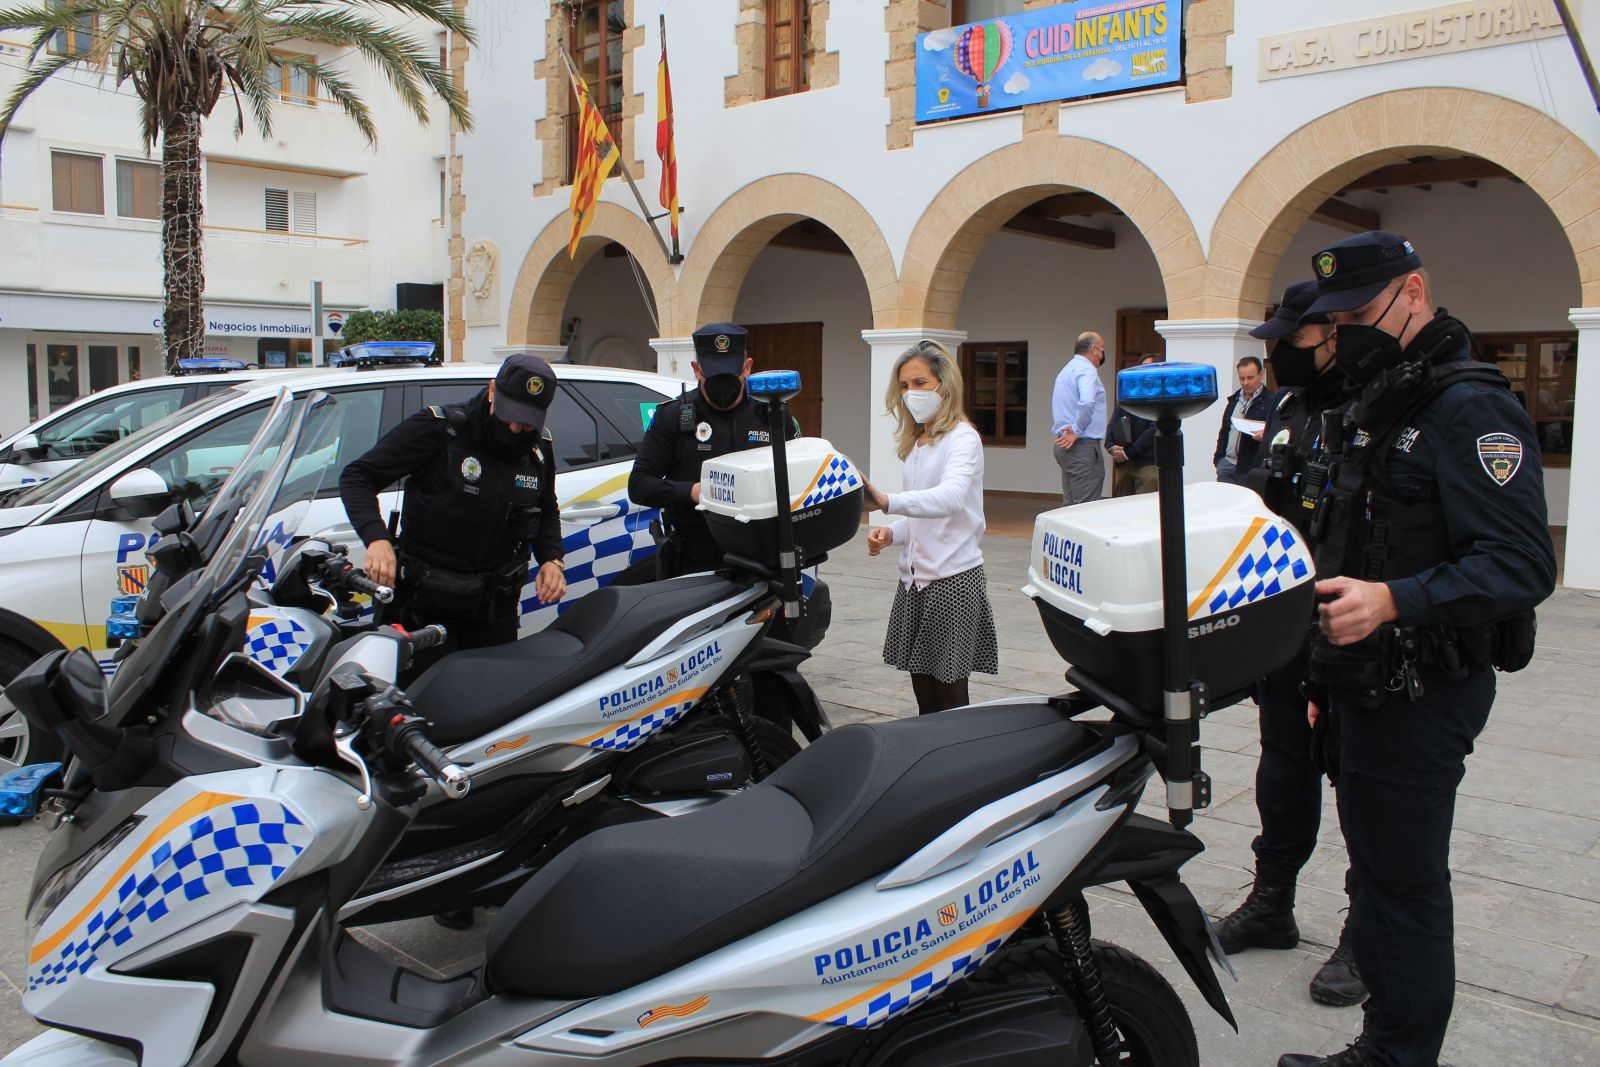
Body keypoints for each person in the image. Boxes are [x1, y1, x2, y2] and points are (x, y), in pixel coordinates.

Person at [1276, 232, 1557, 1067]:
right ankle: (1383, 1043)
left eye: (1359, 313)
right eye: (1336, 320)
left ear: (1414, 292)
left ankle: (1399, 1056)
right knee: (1384, 882)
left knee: (1404, 887)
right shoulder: (1381, 396)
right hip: (1362, 679)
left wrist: (1398, 599)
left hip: (1423, 685)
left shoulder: (1469, 407)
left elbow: (1520, 562)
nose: (1344, 333)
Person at [1211, 280, 1365, 1009]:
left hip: (1359, 629)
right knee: (1283, 769)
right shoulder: (1290, 411)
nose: (1276, 354)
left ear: (1333, 333)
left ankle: (1367, 933)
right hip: (1290, 630)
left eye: (1291, 340)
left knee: (1365, 787)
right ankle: (1273, 900)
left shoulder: (1372, 408)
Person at [339, 353, 566, 670]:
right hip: (424, 603)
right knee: (419, 703)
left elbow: (545, 508)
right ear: (491, 391)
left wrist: (552, 559)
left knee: (485, 705)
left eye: (528, 419)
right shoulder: (443, 430)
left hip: (491, 606)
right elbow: (357, 477)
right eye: (511, 413)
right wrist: (376, 539)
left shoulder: (538, 448)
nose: (516, 427)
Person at [861, 339, 998, 715]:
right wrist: (892, 533)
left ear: (944, 384)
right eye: (904, 386)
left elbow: (950, 498)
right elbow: (922, 512)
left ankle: (960, 766)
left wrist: (886, 501)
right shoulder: (918, 442)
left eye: (920, 383)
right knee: (924, 694)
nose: (910, 393)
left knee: (951, 697)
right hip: (916, 581)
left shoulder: (963, 438)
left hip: (952, 579)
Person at [626, 322, 797, 580]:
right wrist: (692, 492)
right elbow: (639, 485)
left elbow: (796, 477)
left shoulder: (771, 415)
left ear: (747, 367)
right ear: (696, 370)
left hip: (760, 557)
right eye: (714, 376)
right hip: (694, 557)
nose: (723, 385)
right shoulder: (672, 417)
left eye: (730, 375)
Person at [1050, 331, 1108, 505]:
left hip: (1066, 444)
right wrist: (1077, 429)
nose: (1103, 353)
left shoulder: (1068, 368)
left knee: (1070, 505)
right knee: (1084, 508)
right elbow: (1087, 401)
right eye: (1102, 348)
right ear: (1094, 350)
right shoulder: (1086, 370)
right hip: (1081, 445)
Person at [1213, 354, 1272, 485]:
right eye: (1242, 378)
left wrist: (1266, 434)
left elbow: (1279, 433)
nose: (1246, 382)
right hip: (1227, 464)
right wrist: (1219, 459)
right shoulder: (1234, 399)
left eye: (1250, 378)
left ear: (1261, 374)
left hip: (1251, 468)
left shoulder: (1271, 402)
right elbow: (1225, 430)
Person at [1107, 354, 1159, 496]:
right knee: (1123, 510)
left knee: (1144, 510)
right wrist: (1111, 447)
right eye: (1141, 367)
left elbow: (1155, 429)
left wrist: (1127, 453)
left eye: (1148, 368)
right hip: (1125, 466)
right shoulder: (1127, 396)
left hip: (1148, 464)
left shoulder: (1159, 398)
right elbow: (1112, 426)